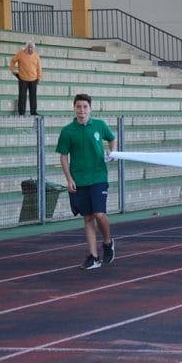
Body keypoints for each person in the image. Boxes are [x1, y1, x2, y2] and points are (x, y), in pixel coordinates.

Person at [55, 94, 117, 270]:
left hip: (98, 177)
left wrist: (112, 153)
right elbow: (63, 157)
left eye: (85, 107)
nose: (82, 110)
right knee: (88, 217)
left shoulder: (99, 125)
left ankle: (107, 242)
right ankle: (93, 256)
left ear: (90, 108)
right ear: (74, 108)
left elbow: (112, 138)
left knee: (99, 214)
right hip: (79, 179)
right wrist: (69, 179)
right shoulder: (68, 131)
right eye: (78, 107)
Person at [9, 41, 42, 116]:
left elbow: (39, 68)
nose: (30, 49)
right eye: (29, 47)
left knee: (33, 97)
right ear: (26, 48)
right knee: (22, 97)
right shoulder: (20, 54)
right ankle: (21, 112)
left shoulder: (36, 56)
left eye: (32, 48)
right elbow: (12, 61)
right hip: (22, 78)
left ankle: (33, 112)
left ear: (34, 49)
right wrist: (13, 70)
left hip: (33, 79)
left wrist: (39, 77)